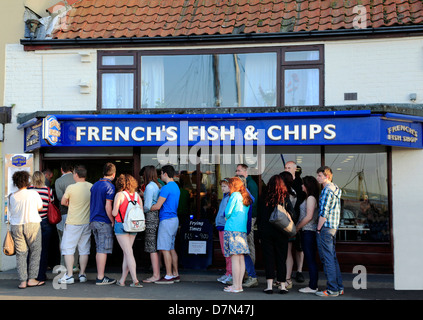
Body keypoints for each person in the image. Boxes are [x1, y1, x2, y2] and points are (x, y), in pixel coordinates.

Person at [257, 175, 293, 294]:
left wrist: (260, 233)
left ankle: (269, 286)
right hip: (281, 232)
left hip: (266, 231)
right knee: (281, 258)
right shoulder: (284, 197)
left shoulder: (264, 197)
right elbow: (293, 214)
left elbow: (260, 217)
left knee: (269, 258)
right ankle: (282, 286)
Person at [8, 170, 44, 289]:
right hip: (32, 223)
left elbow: (11, 212)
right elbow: (40, 207)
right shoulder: (33, 194)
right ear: (27, 181)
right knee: (35, 251)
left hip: (16, 226)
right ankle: (32, 279)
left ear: (15, 182)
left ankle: (23, 281)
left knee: (21, 254)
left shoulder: (12, 196)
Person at [59, 165, 92, 284]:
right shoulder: (91, 186)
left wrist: (71, 204)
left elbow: (63, 202)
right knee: (84, 249)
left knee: (68, 249)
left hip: (73, 222)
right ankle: (82, 274)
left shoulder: (71, 187)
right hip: (86, 222)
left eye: (73, 174)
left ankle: (69, 275)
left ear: (76, 175)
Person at [315, 166, 344, 297]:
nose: (317, 178)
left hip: (326, 228)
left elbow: (323, 213)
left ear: (327, 176)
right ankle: (339, 287)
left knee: (327, 259)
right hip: (333, 227)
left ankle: (332, 289)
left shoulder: (327, 190)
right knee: (332, 257)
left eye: (320, 175)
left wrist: (318, 228)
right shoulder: (336, 189)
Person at [150, 165, 180, 284]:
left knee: (164, 248)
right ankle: (175, 273)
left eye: (161, 174)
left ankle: (168, 276)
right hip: (174, 219)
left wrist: (146, 207)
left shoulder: (166, 188)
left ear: (165, 174)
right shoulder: (176, 186)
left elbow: (157, 206)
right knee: (171, 248)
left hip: (166, 220)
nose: (160, 176)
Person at [112, 174, 143, 288]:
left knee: (129, 253)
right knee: (127, 253)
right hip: (134, 226)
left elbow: (115, 213)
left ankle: (135, 280)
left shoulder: (119, 195)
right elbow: (141, 211)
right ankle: (122, 280)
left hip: (121, 226)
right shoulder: (137, 196)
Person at [222, 176, 252, 293]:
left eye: (229, 184)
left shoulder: (234, 196)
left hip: (232, 229)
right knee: (240, 259)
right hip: (242, 230)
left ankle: (235, 286)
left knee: (234, 259)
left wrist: (226, 216)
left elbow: (227, 212)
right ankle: (239, 285)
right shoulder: (245, 197)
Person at [90, 162, 116, 285]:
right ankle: (100, 277)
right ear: (114, 174)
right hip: (103, 221)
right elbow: (108, 206)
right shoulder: (109, 186)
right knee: (102, 250)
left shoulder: (95, 185)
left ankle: (100, 276)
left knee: (99, 249)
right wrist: (112, 220)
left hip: (93, 220)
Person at [28, 171, 55, 283]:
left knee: (31, 250)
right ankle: (41, 276)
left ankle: (31, 276)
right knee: (43, 250)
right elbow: (51, 202)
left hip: (32, 222)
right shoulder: (48, 190)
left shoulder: (29, 190)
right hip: (45, 222)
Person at [235, 164, 259, 288]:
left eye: (239, 170)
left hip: (249, 218)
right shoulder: (243, 183)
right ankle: (243, 273)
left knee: (248, 245)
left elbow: (252, 203)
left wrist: (249, 219)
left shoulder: (251, 184)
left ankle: (251, 274)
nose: (237, 172)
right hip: (244, 219)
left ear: (245, 171)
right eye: (236, 170)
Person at [296, 176, 320, 293]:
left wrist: (297, 227)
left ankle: (312, 286)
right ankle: (313, 284)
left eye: (303, 184)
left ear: (307, 186)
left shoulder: (310, 198)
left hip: (308, 231)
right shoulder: (311, 197)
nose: (301, 186)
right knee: (310, 258)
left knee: (310, 259)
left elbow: (309, 216)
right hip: (308, 231)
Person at [284, 161, 306, 283]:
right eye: (285, 167)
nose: (287, 169)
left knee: (299, 247)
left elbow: (301, 202)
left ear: (295, 169)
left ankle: (299, 271)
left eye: (289, 168)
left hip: (298, 219)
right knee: (286, 248)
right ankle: (286, 274)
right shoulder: (283, 181)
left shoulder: (299, 182)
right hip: (285, 220)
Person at [55, 161, 77, 269]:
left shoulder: (58, 181)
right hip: (77, 214)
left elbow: (59, 197)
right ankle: (75, 265)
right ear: (72, 170)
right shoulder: (77, 179)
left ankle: (63, 265)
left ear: (61, 170)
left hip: (64, 213)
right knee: (76, 240)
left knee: (63, 240)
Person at [142, 165, 162, 283]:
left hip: (150, 217)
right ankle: (157, 271)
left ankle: (155, 275)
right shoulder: (157, 185)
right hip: (157, 216)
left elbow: (147, 206)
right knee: (155, 245)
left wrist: (141, 208)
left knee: (151, 246)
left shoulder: (149, 187)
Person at [215, 178, 232, 285]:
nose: (222, 188)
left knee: (227, 252)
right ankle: (228, 273)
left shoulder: (229, 198)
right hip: (221, 226)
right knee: (225, 251)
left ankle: (230, 273)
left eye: (225, 186)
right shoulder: (225, 197)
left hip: (225, 226)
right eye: (221, 186)